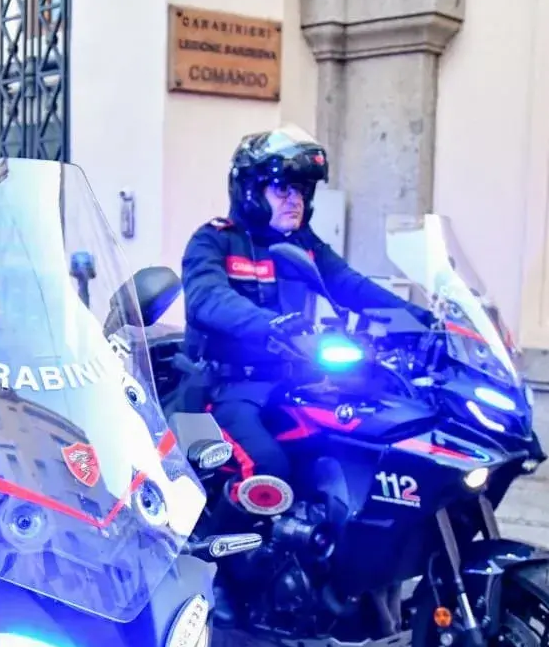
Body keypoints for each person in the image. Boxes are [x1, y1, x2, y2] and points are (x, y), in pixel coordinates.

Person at [180, 126, 429, 490]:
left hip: (293, 381)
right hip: (226, 387)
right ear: (250, 191)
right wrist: (272, 324)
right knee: (268, 469)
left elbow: (350, 285)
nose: (295, 199)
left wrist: (422, 322)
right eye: (283, 189)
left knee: (347, 446)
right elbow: (207, 298)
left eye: (301, 190)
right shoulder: (214, 240)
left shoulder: (304, 244)